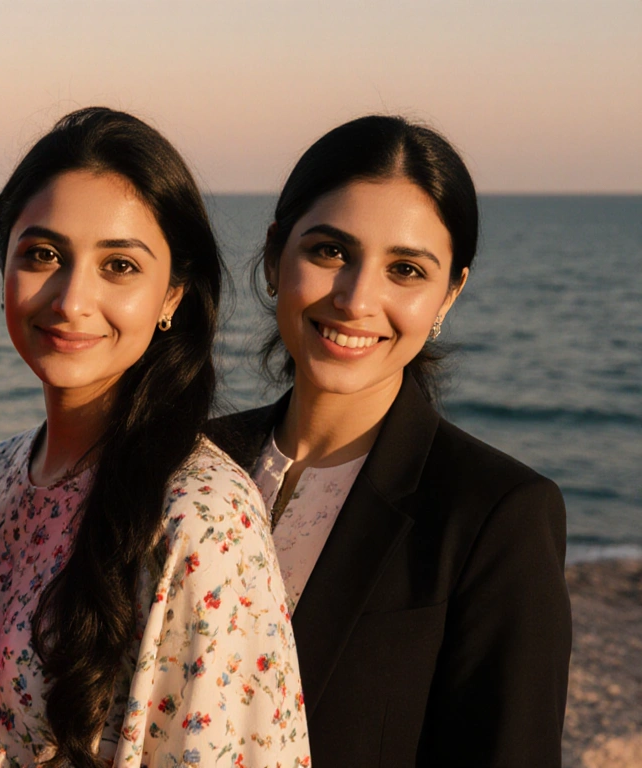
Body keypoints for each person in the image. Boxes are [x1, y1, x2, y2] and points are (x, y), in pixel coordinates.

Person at [0, 107, 311, 768]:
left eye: (118, 266)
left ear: (172, 295)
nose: (71, 298)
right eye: (43, 255)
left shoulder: (201, 518)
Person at [205, 115, 572, 767]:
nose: (356, 298)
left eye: (405, 270)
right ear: (273, 256)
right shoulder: (190, 463)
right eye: (330, 251)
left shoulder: (495, 516)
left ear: (448, 294)